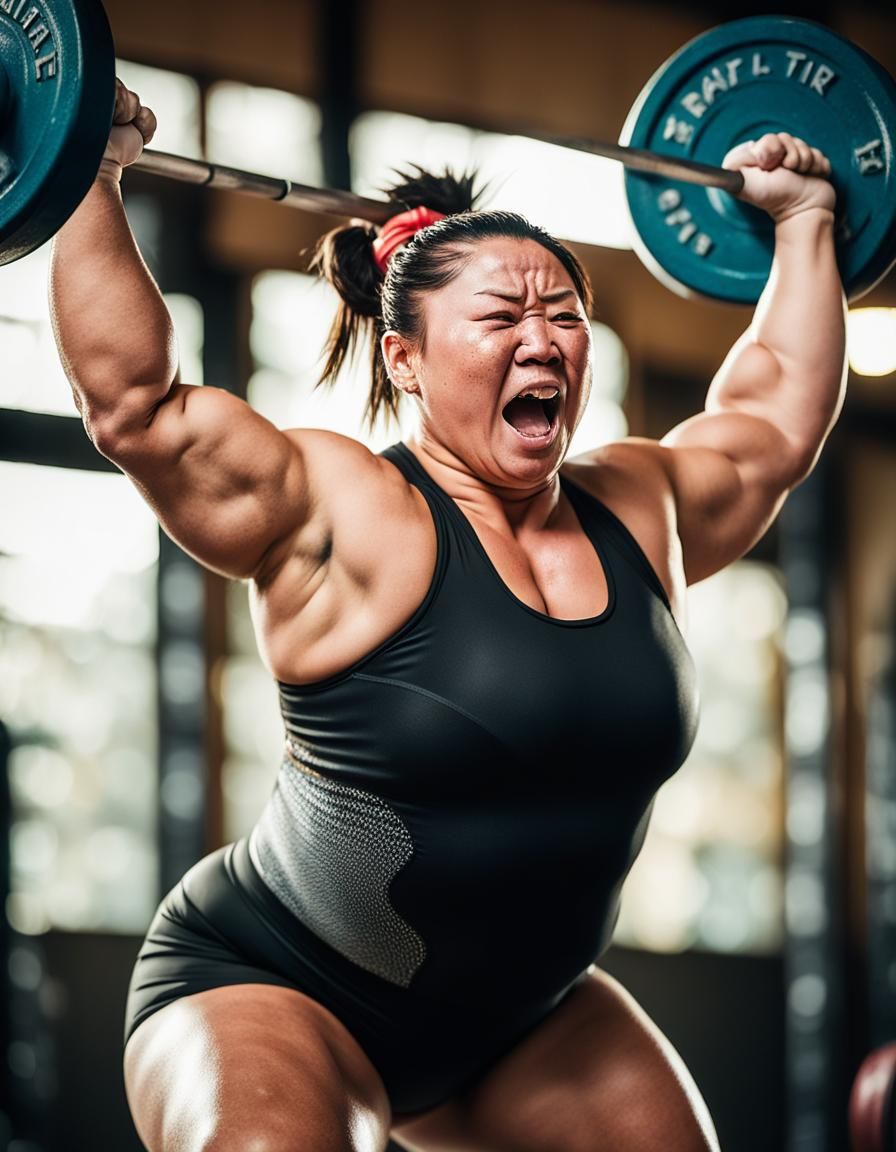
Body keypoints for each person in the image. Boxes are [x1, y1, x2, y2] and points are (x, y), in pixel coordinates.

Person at [50, 79, 844, 1152]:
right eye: (501, 316)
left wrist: (804, 224)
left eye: (563, 314)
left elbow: (770, 416)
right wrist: (90, 175)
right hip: (276, 986)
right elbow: (138, 407)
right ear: (403, 358)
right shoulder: (346, 510)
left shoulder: (640, 506)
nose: (541, 339)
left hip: (525, 1022)